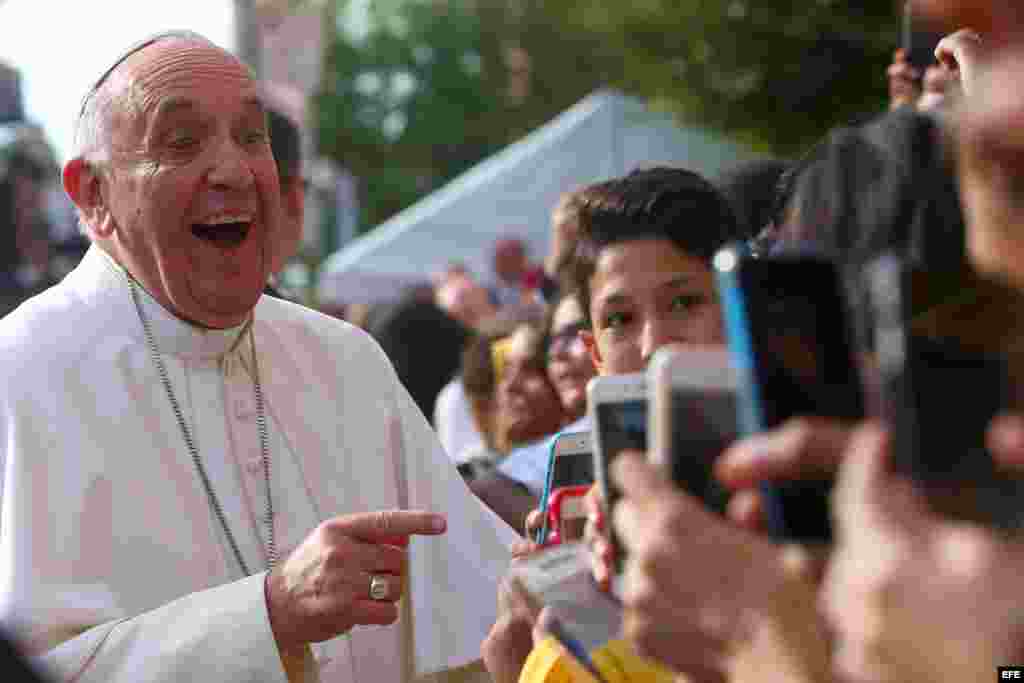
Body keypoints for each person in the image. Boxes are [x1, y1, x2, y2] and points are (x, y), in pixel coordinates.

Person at [0, 31, 517, 683]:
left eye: (252, 137)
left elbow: (485, 621)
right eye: (183, 142)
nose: (234, 170)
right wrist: (266, 616)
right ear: (92, 195)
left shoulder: (346, 361)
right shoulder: (19, 376)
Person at [482, 166, 748, 683]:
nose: (654, 345)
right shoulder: (580, 569)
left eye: (685, 303)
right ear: (594, 353)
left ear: (740, 308)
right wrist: (521, 662)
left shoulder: (797, 503)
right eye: (620, 320)